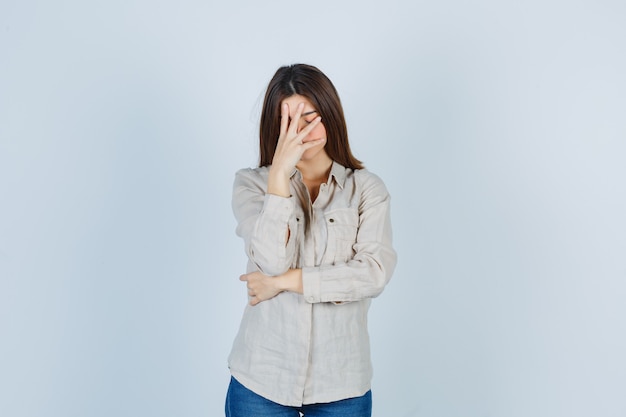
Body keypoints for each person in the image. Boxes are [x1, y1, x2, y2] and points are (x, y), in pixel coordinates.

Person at [225, 63, 397, 417]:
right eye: (287, 122)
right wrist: (278, 177)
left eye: (309, 117)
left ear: (329, 114)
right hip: (262, 378)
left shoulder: (367, 190)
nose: (299, 132)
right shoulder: (251, 185)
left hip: (342, 383)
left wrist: (284, 282)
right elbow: (270, 259)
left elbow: (373, 273)